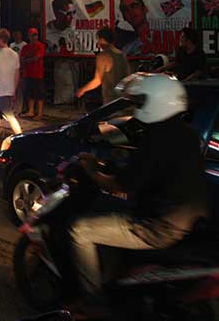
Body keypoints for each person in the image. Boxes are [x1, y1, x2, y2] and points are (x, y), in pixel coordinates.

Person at [69, 74, 208, 316]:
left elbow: (120, 185)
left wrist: (92, 170)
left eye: (142, 101)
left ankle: (93, 301)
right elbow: (150, 169)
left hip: (156, 226)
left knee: (79, 230)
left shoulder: (156, 140)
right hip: (189, 219)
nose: (139, 107)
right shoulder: (187, 134)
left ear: (158, 102)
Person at [76, 27, 130, 105]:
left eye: (98, 39)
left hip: (111, 100)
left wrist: (82, 90)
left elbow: (97, 80)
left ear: (102, 39)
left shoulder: (103, 56)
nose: (98, 42)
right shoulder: (122, 55)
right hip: (123, 100)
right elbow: (128, 77)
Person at [20, 28, 46, 120]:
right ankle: (30, 111)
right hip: (28, 73)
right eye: (32, 35)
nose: (34, 37)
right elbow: (22, 59)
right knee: (30, 93)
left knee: (39, 94)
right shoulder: (25, 47)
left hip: (38, 74)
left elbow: (37, 58)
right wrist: (28, 59)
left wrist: (28, 59)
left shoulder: (40, 46)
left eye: (35, 35)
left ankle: (40, 113)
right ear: (29, 36)